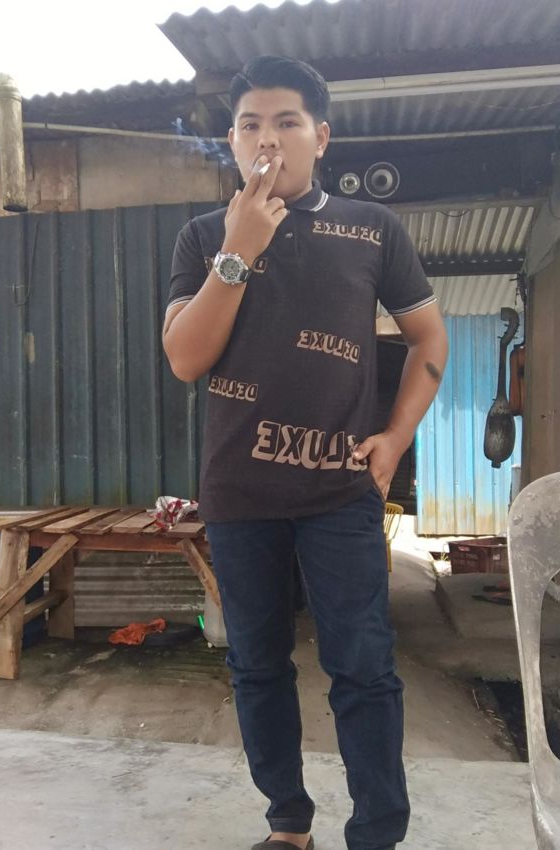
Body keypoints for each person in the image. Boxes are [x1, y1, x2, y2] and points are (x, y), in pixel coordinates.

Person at [163, 56, 448, 850]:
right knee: (257, 666)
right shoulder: (202, 236)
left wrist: (396, 436)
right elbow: (185, 358)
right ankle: (288, 824)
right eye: (250, 124)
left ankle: (377, 834)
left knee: (363, 668)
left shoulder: (372, 230)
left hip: (340, 493)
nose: (268, 140)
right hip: (239, 494)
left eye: (286, 122)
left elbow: (428, 337)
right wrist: (239, 249)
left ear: (320, 138)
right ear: (231, 140)